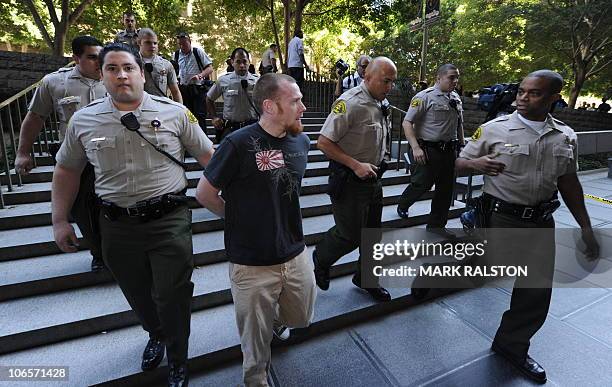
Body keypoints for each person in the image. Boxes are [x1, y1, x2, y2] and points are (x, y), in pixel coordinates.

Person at [51, 43, 214, 387]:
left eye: (128, 68)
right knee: (137, 293)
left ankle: (178, 356)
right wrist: (60, 219)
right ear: (102, 75)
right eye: (112, 68)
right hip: (117, 226)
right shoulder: (84, 120)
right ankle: (155, 333)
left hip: (168, 220)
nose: (121, 75)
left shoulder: (176, 114)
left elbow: (209, 159)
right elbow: (66, 171)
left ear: (142, 72)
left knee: (173, 292)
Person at [456, 69, 600, 384]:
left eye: (533, 93)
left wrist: (585, 228)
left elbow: (569, 183)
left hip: (541, 221)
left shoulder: (565, 136)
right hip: (499, 217)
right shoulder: (493, 129)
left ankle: (512, 346)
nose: (522, 97)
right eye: (521, 90)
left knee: (535, 292)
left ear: (553, 98)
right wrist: (476, 164)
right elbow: (459, 163)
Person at [195, 73, 317, 387]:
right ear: (269, 106)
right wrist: (236, 217)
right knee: (254, 339)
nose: (303, 107)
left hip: (294, 250)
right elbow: (204, 193)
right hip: (250, 262)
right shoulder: (237, 144)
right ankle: (256, 378)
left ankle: (274, 321)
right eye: (295, 101)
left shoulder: (301, 140)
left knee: (302, 316)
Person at [15, 35, 106, 271]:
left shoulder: (115, 77)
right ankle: (99, 253)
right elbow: (35, 117)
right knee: (84, 210)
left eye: (101, 56)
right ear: (76, 58)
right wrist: (23, 152)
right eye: (92, 57)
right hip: (76, 161)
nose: (99, 62)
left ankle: (118, 253)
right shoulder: (55, 82)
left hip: (111, 157)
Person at [313, 57, 397, 302]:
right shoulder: (349, 103)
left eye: (392, 81)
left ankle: (366, 279)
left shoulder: (383, 103)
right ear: (367, 77)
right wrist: (355, 164)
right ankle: (322, 257)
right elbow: (324, 142)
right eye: (385, 81)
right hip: (348, 180)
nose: (389, 87)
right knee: (349, 234)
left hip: (373, 179)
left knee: (373, 235)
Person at [396, 64, 464, 239]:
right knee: (421, 184)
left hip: (449, 151)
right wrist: (415, 147)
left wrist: (462, 146)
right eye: (451, 77)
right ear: (439, 78)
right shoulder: (423, 97)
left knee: (445, 190)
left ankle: (436, 226)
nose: (455, 81)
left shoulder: (456, 98)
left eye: (457, 77)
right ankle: (403, 204)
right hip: (428, 150)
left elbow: (459, 124)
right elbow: (407, 122)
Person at [206, 48, 259, 143]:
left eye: (244, 61)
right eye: (238, 62)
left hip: (252, 128)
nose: (242, 65)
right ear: (232, 62)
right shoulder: (223, 81)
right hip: (230, 129)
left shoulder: (258, 81)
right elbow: (209, 99)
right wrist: (214, 117)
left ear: (249, 62)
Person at [175, 32, 214, 131]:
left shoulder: (197, 52)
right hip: (184, 90)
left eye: (184, 43)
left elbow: (210, 68)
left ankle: (203, 142)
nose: (182, 46)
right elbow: (174, 71)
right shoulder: (175, 55)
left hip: (198, 90)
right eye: (180, 44)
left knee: (199, 116)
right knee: (187, 117)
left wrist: (199, 76)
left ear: (190, 42)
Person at [138, 28, 182, 103]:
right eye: (148, 42)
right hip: (139, 108)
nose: (152, 46)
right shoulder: (130, 64)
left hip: (161, 108)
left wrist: (180, 111)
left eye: (155, 43)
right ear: (139, 42)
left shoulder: (166, 65)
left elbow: (175, 91)